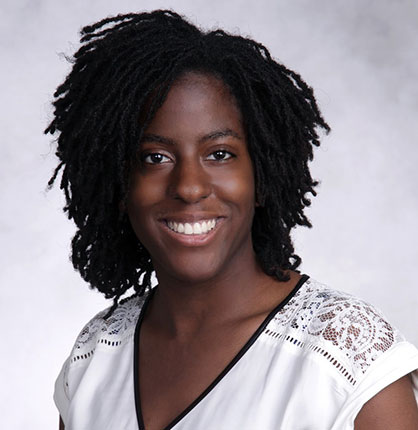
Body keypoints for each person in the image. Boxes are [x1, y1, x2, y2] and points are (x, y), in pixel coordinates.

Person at [46, 10, 418, 430]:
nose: (189, 187)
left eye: (219, 154)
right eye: (155, 157)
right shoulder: (96, 356)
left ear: (262, 175)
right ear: (117, 184)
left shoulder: (346, 363)